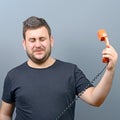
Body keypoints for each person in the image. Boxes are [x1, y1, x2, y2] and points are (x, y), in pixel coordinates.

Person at [0, 16, 118, 120]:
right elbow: (4, 114)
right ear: (24, 44)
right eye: (32, 40)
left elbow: (95, 99)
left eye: (42, 39)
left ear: (51, 41)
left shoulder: (71, 71)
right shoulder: (13, 76)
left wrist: (110, 69)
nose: (38, 45)